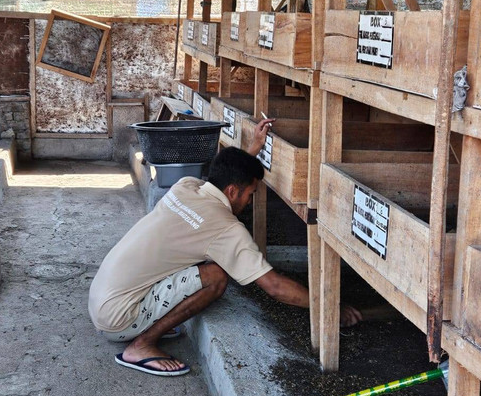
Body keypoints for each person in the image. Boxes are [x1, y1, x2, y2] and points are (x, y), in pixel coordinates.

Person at [88, 119, 361, 376]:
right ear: (233, 191)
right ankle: (141, 346)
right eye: (250, 194)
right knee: (216, 277)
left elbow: (224, 175)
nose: (250, 202)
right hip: (118, 320)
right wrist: (328, 309)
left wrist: (253, 148)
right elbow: (274, 286)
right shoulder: (226, 229)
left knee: (198, 263)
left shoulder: (186, 186)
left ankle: (148, 322)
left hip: (102, 300)